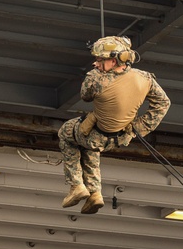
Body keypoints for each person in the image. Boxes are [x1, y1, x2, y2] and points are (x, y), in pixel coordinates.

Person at [58, 36, 170, 213]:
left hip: (95, 134)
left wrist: (99, 75)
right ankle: (95, 194)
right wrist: (138, 128)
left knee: (66, 134)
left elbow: (86, 96)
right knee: (90, 148)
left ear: (116, 59)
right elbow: (163, 103)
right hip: (120, 137)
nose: (96, 64)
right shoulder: (145, 78)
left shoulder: (95, 79)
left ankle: (76, 185)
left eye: (101, 60)